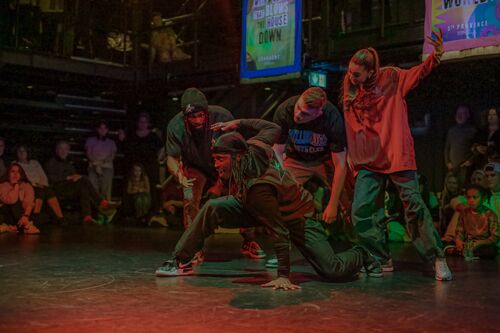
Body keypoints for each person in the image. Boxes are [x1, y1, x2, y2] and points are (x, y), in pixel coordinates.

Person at [156, 119, 381, 289]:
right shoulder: (252, 147)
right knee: (212, 207)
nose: (215, 165)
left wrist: (283, 275)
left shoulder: (259, 187)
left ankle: (364, 254)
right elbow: (272, 128)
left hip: (297, 218)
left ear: (236, 158)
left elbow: (279, 230)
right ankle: (180, 260)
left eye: (219, 160)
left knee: (333, 271)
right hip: (252, 206)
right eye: (214, 159)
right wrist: (239, 123)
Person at [340, 29, 452, 280]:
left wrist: (435, 57)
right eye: (350, 71)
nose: (351, 76)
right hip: (368, 161)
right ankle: (380, 257)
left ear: (371, 71)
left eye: (357, 73)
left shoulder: (391, 77)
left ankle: (437, 257)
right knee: (362, 210)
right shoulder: (351, 90)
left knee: (413, 205)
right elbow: (352, 128)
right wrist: (353, 162)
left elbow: (418, 73)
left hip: (396, 154)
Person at [165, 87, 266, 259]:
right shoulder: (176, 126)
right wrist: (178, 175)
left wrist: (222, 183)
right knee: (189, 196)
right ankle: (193, 247)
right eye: (192, 117)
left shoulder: (222, 117)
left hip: (224, 163)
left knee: (243, 193)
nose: (197, 120)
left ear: (206, 112)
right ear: (185, 116)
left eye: (200, 115)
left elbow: (236, 151)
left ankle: (249, 240)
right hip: (194, 166)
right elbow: (171, 158)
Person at [272, 87, 348, 224]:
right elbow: (277, 151)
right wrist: (283, 176)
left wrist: (333, 205)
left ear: (318, 114)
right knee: (282, 195)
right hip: (296, 159)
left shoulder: (332, 118)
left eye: (305, 114)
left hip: (325, 160)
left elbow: (340, 165)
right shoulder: (284, 110)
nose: (298, 115)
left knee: (346, 199)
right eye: (298, 107)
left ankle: (354, 237)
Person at [44, 140, 109, 224]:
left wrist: (75, 176)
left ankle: (87, 216)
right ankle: (100, 201)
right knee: (84, 179)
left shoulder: (68, 163)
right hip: (56, 189)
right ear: (56, 150)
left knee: (83, 186)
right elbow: (50, 178)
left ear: (68, 151)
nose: (63, 151)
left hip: (68, 188)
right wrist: (67, 177)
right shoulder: (51, 162)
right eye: (61, 149)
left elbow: (73, 176)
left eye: (65, 149)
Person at [120, 112, 163, 215]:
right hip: (135, 166)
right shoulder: (132, 134)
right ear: (138, 123)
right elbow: (125, 147)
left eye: (145, 122)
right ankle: (132, 211)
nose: (143, 124)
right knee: (132, 186)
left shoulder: (153, 136)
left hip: (149, 166)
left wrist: (158, 159)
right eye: (141, 122)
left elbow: (162, 147)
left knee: (151, 187)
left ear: (148, 123)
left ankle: (152, 210)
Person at [14, 144, 65, 225]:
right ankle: (35, 216)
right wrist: (35, 184)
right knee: (39, 191)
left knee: (48, 191)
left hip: (40, 184)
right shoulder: (15, 164)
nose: (21, 153)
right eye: (19, 151)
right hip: (28, 186)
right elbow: (20, 179)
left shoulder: (34, 163)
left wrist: (43, 184)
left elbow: (43, 175)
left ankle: (60, 217)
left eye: (23, 151)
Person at [444, 184, 498, 258]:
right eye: (468, 197)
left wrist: (479, 243)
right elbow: (459, 231)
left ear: (484, 198)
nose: (471, 200)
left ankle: (462, 253)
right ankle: (463, 251)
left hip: (482, 244)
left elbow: (495, 236)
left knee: (490, 250)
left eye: (475, 197)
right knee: (445, 243)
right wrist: (459, 241)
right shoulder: (464, 213)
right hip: (467, 243)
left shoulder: (490, 214)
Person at [0, 163, 39, 234]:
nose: (15, 174)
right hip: (7, 212)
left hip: (22, 214)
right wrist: (16, 185)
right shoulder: (2, 185)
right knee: (14, 204)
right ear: (8, 173)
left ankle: (18, 226)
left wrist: (25, 216)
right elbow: (11, 200)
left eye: (18, 172)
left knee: (31, 209)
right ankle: (23, 227)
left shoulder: (26, 185)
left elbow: (29, 202)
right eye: (13, 171)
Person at [444, 105, 476, 187]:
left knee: (463, 187)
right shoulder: (451, 131)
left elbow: (477, 150)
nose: (459, 116)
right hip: (452, 167)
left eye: (463, 113)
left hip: (464, 167)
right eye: (458, 113)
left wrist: (470, 161)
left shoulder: (473, 131)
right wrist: (448, 162)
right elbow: (447, 148)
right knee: (451, 187)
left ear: (468, 115)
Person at [85, 120, 117, 201]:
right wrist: (96, 165)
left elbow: (112, 156)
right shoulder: (90, 140)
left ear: (107, 130)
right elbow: (88, 153)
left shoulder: (111, 142)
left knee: (106, 190)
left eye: (104, 128)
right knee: (93, 189)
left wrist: (100, 163)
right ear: (97, 129)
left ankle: (106, 209)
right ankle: (94, 209)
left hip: (107, 167)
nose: (102, 130)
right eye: (100, 128)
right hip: (93, 167)